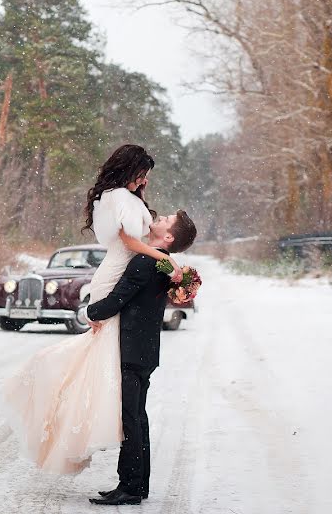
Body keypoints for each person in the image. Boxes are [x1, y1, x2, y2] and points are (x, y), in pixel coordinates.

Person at [1, 144, 180, 475]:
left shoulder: (130, 197)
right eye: (143, 174)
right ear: (130, 170)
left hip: (122, 274)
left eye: (147, 177)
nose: (146, 181)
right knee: (102, 355)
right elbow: (128, 241)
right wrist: (164, 258)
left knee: (103, 358)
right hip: (112, 275)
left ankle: (100, 423)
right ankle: (90, 419)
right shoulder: (118, 198)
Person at [87, 210, 197, 505]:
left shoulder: (147, 262)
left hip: (133, 351)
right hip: (145, 350)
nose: (159, 218)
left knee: (130, 419)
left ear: (169, 236)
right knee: (138, 417)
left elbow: (116, 300)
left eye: (166, 220)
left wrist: (90, 312)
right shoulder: (161, 263)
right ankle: (136, 484)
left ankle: (131, 487)